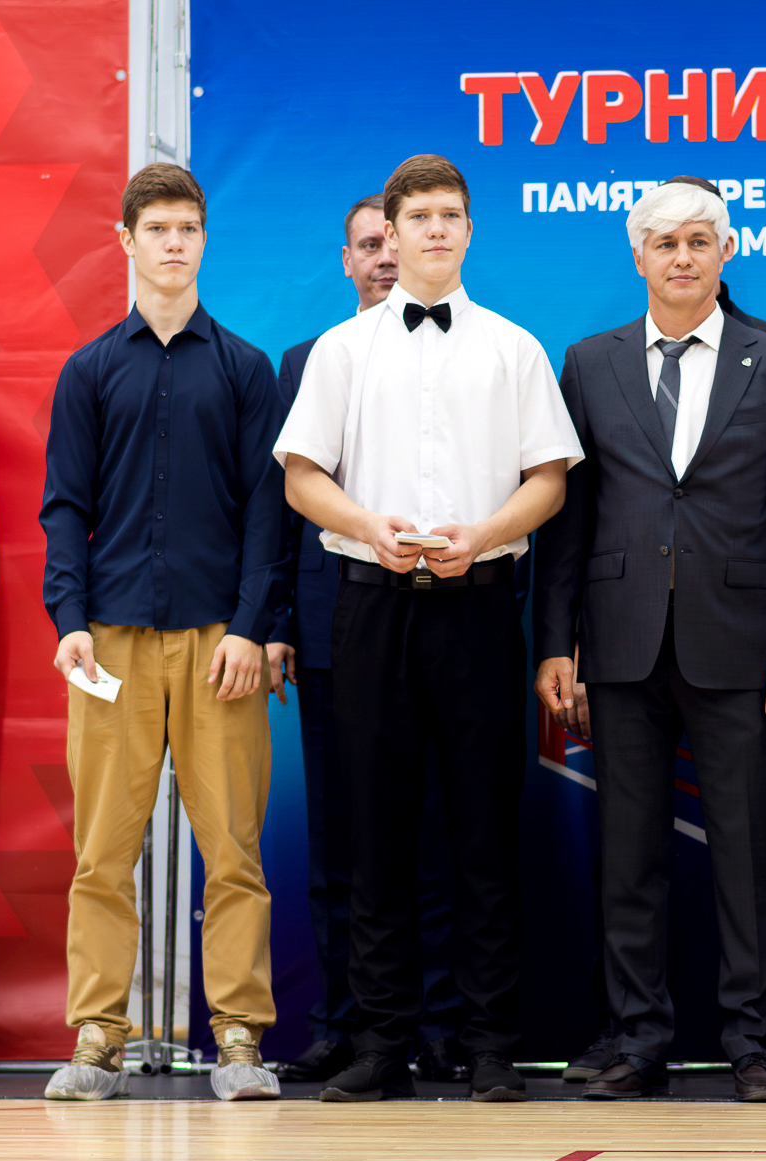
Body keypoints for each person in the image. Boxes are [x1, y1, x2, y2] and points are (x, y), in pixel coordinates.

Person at [276, 153, 580, 1103]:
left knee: (486, 832)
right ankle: (381, 1043)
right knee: (374, 833)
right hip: (370, 605)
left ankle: (490, 1045)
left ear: (469, 231)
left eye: (451, 215)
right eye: (420, 218)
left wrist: (482, 535)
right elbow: (301, 475)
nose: (437, 230)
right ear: (392, 233)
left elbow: (549, 480)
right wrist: (367, 525)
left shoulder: (514, 349)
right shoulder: (342, 350)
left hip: (481, 605)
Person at [533, 181, 766, 1102]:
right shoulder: (589, 363)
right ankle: (636, 1038)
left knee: (751, 853)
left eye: (700, 240)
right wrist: (554, 643)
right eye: (664, 243)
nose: (682, 257)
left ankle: (760, 1041)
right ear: (639, 257)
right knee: (628, 856)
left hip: (744, 648)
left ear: (725, 251)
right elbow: (568, 523)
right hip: (620, 645)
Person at [39, 164, 287, 1102]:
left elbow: (267, 512)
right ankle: (98, 1035)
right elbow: (66, 506)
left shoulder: (246, 368)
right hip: (109, 639)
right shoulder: (91, 369)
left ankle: (239, 1039)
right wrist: (69, 620)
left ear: (204, 240)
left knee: (234, 848)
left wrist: (253, 629)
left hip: (222, 640)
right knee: (103, 850)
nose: (173, 243)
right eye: (157, 229)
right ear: (126, 241)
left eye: (188, 228)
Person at [272, 193, 469, 1086]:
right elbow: (281, 505)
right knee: (341, 842)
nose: (388, 254)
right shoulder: (310, 359)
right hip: (331, 628)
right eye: (371, 243)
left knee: (439, 834)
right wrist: (277, 625)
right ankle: (344, 1023)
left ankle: (441, 1023)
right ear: (348, 260)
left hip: (449, 618)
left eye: (398, 238)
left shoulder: (480, 348)